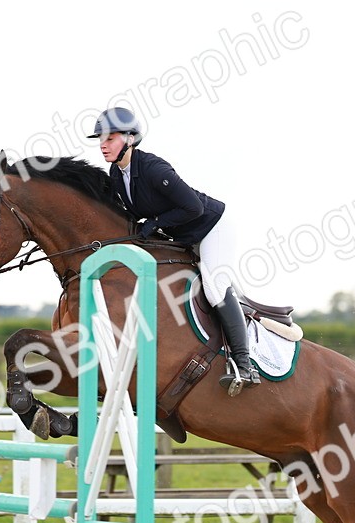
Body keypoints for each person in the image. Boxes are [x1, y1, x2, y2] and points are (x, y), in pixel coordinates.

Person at [88, 107, 261, 394]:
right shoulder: (117, 175)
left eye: (110, 137)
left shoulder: (154, 169)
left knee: (215, 288)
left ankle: (244, 365)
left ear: (130, 139)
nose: (103, 144)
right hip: (180, 234)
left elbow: (193, 207)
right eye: (100, 138)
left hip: (211, 228)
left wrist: (155, 223)